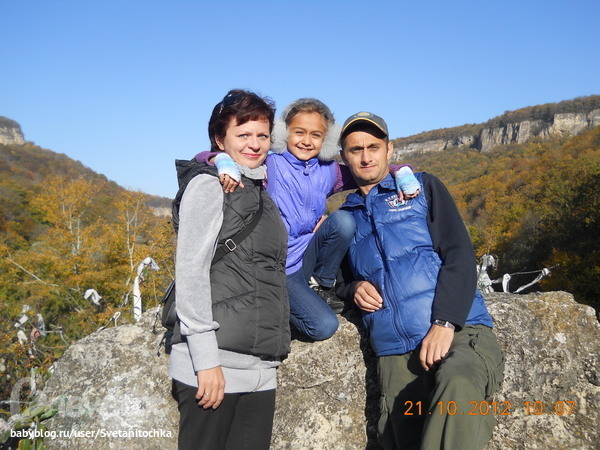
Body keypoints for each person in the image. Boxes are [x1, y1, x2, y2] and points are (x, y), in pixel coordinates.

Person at [335, 112, 505, 449]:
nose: (366, 157)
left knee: (458, 383)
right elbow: (337, 281)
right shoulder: (344, 219)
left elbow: (459, 254)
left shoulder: (422, 188)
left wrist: (445, 322)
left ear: (389, 150)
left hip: (458, 333)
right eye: (356, 150)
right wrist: (353, 288)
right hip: (395, 354)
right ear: (345, 157)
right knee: (404, 436)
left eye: (373, 147)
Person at [197, 98, 420, 341]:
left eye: (316, 135)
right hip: (280, 267)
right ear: (284, 133)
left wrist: (402, 171)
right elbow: (201, 158)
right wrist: (220, 160)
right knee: (324, 326)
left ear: (326, 139)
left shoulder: (329, 171)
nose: (307, 140)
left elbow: (367, 169)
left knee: (343, 221)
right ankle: (279, 308)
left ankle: (320, 285)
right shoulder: (271, 163)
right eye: (299, 132)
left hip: (309, 258)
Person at [169, 89, 291, 450]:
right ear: (220, 140)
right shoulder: (208, 185)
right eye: (244, 134)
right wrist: (206, 361)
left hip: (260, 370)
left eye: (262, 135)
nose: (255, 144)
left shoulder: (257, 191)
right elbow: (190, 271)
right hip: (215, 366)